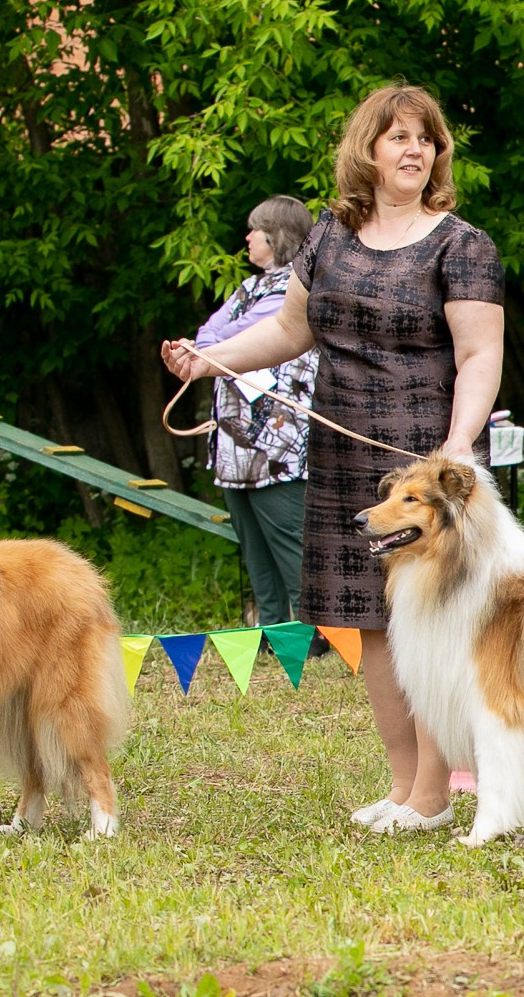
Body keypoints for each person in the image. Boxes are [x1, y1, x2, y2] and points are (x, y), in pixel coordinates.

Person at [163, 85, 503, 834]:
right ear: (369, 151)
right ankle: (405, 783)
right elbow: (289, 331)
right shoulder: (329, 236)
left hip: (424, 465)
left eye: (426, 138)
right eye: (398, 137)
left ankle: (437, 791)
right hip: (344, 452)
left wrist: (457, 446)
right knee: (368, 621)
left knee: (433, 624)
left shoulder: (462, 244)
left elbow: (480, 354)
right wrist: (209, 359)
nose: (414, 149)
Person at [195, 196, 318, 627]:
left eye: (254, 229)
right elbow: (209, 333)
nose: (246, 237)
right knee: (253, 548)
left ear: (276, 235)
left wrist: (212, 344)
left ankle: (313, 632)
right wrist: (212, 343)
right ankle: (269, 630)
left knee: (288, 541)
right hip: (234, 443)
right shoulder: (248, 288)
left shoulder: (298, 285)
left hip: (277, 445)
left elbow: (236, 334)